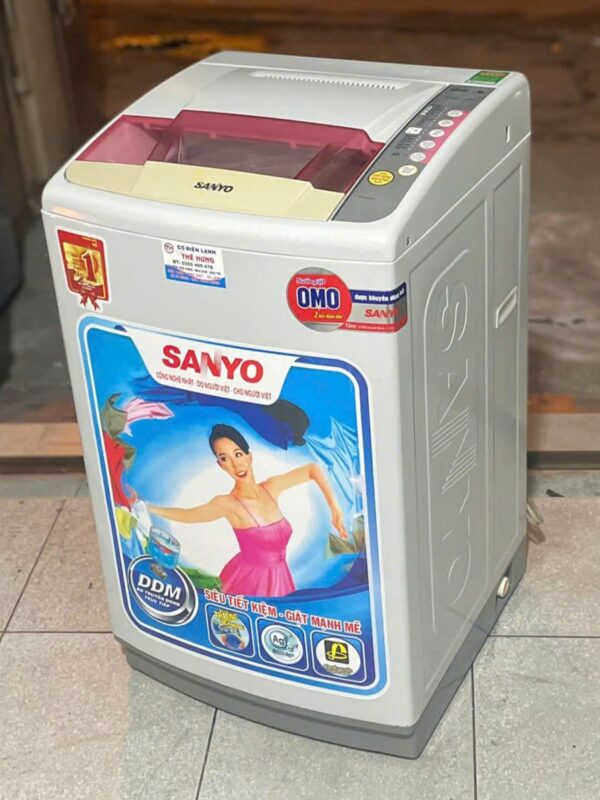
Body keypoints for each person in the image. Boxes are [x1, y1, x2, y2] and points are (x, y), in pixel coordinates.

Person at [147, 423, 348, 597]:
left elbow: (312, 469)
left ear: (249, 456)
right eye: (225, 458)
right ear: (220, 465)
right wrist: (149, 508)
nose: (236, 464)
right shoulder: (227, 503)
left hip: (281, 577)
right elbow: (189, 515)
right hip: (248, 582)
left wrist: (335, 508)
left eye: (238, 454)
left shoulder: (271, 488)